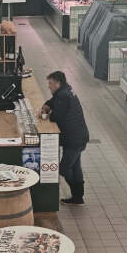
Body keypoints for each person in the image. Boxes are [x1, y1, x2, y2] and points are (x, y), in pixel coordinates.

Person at [41, 71, 89, 205]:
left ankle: (76, 194)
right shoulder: (66, 90)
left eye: (50, 84)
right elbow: (54, 101)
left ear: (58, 83)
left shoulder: (63, 95)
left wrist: (46, 114)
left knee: (64, 168)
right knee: (75, 166)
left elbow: (57, 116)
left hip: (74, 139)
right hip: (79, 136)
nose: (49, 86)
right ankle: (78, 197)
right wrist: (47, 105)